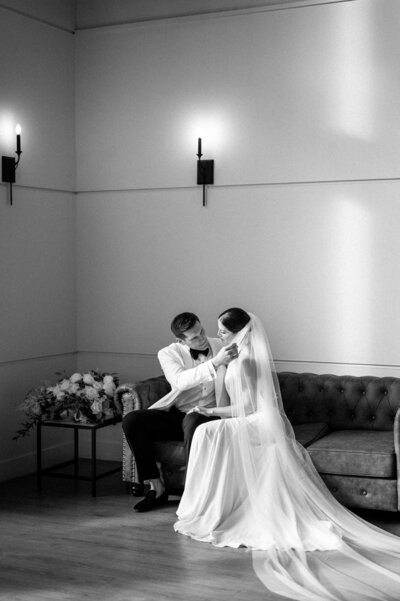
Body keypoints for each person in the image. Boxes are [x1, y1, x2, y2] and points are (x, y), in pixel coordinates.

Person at [174, 308, 400, 601]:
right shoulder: (232, 360)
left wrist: (209, 411)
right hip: (249, 418)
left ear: (241, 333)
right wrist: (217, 379)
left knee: (206, 432)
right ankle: (211, 507)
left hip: (262, 422)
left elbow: (251, 410)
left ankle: (209, 509)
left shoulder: (249, 363)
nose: (218, 336)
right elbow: (230, 402)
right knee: (207, 432)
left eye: (224, 331)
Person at [122, 312, 238, 512]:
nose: (202, 338)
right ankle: (156, 487)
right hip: (177, 414)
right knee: (132, 420)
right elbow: (180, 381)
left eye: (201, 331)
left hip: (209, 414)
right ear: (180, 341)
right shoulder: (168, 353)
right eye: (194, 337)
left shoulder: (220, 345)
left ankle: (196, 494)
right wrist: (215, 363)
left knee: (193, 420)